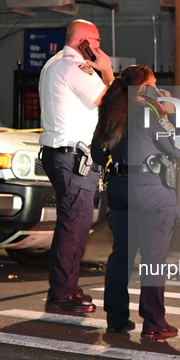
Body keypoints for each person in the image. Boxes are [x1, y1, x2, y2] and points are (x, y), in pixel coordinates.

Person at [91, 65, 180, 338]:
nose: (157, 88)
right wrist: (175, 115)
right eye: (154, 83)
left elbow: (98, 155)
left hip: (120, 190)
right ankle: (154, 323)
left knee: (121, 256)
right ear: (144, 87)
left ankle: (116, 319)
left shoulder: (112, 111)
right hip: (151, 193)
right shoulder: (151, 114)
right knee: (153, 259)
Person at [39, 19, 115, 313]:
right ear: (83, 41)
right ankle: (61, 294)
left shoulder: (55, 63)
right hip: (72, 159)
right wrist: (106, 69)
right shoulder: (75, 66)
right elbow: (109, 99)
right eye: (95, 41)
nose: (98, 47)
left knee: (76, 225)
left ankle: (66, 286)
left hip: (67, 156)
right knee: (75, 226)